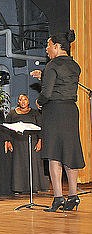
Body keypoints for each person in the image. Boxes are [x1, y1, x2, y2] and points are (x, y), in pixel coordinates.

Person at [30, 30, 85, 212]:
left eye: (48, 45)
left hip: (54, 111)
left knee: (54, 154)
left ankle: (58, 197)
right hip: (70, 110)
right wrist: (44, 76)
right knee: (69, 151)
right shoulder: (75, 66)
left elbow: (46, 94)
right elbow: (62, 84)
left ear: (56, 46)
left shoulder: (52, 65)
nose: (46, 49)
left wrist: (38, 102)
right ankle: (74, 196)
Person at [5, 94, 48, 194]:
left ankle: (34, 186)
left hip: (32, 142)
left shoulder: (35, 113)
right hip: (17, 143)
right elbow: (7, 129)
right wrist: (8, 142)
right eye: (20, 99)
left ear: (28, 101)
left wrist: (40, 141)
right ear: (18, 102)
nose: (23, 101)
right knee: (18, 165)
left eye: (25, 99)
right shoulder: (12, 113)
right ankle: (19, 187)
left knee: (33, 164)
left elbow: (41, 128)